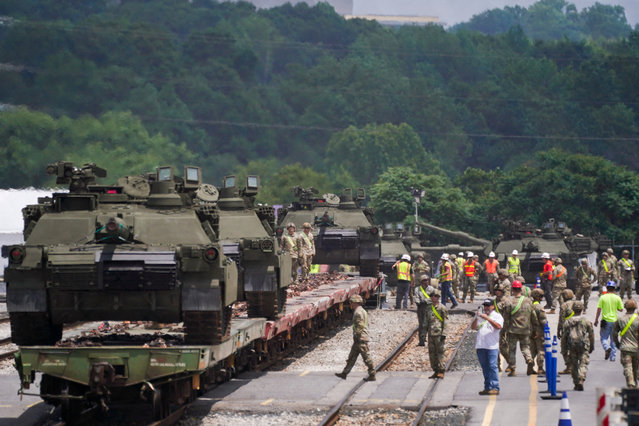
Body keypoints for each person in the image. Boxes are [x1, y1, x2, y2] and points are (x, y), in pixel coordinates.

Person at [335, 294, 376, 381]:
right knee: (352, 356)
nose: (350, 304)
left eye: (351, 302)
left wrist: (357, 335)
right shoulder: (363, 311)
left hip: (360, 338)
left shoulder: (358, 312)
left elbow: (360, 325)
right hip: (360, 338)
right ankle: (344, 373)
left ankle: (372, 374)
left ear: (355, 303)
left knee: (366, 357)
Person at [503, 280, 536, 376]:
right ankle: (529, 359)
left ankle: (513, 369)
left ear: (512, 289)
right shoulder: (528, 301)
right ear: (521, 289)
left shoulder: (509, 301)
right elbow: (533, 316)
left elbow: (506, 317)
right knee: (525, 347)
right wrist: (534, 328)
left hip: (512, 329)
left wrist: (504, 330)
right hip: (525, 329)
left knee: (512, 350)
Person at [472, 298, 504, 395]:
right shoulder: (481, 316)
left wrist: (487, 318)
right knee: (485, 367)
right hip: (481, 345)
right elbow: (473, 328)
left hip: (492, 346)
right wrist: (476, 317)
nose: (486, 308)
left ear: (493, 306)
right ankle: (487, 387)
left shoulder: (497, 316)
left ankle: (495, 387)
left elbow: (498, 327)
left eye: (488, 305)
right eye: (485, 306)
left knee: (492, 366)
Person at [561, 301, 594, 391]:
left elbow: (564, 336)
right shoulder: (586, 320)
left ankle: (576, 382)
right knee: (583, 363)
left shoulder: (568, 321)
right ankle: (581, 379)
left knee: (574, 364)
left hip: (572, 345)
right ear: (582, 309)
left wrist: (563, 349)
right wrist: (592, 346)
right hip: (583, 345)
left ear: (573, 310)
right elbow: (591, 335)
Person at [594, 281, 624, 362]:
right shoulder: (617, 298)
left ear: (607, 288)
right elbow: (621, 309)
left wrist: (596, 320)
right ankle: (613, 357)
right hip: (614, 321)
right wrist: (615, 307)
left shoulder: (603, 297)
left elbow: (599, 309)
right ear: (614, 289)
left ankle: (607, 348)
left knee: (604, 337)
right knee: (613, 339)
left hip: (605, 321)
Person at [613, 299, 639, 388]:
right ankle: (635, 383)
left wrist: (617, 344)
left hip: (625, 347)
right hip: (637, 348)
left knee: (628, 366)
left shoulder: (620, 319)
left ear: (625, 307)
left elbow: (614, 334)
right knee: (636, 367)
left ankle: (631, 383)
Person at [428, 290, 448, 379]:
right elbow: (426, 321)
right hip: (431, 333)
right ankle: (435, 370)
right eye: (432, 296)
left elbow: (445, 321)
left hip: (439, 333)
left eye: (435, 296)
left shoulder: (442, 308)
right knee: (432, 353)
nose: (433, 297)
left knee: (440, 352)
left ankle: (441, 370)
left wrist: (444, 333)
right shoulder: (428, 308)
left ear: (438, 297)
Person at [557, 289, 575, 375]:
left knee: (564, 348)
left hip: (567, 329)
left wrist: (558, 330)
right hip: (577, 328)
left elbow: (561, 319)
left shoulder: (564, 305)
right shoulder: (577, 303)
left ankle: (569, 367)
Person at [414, 275, 435, 346]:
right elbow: (416, 297)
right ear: (421, 281)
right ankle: (421, 341)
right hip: (421, 308)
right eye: (425, 280)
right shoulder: (417, 289)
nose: (426, 282)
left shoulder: (431, 289)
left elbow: (434, 298)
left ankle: (430, 341)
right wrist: (418, 302)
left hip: (429, 307)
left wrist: (426, 301)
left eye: (427, 280)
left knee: (430, 325)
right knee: (422, 325)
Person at [530, 288, 547, 374]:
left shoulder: (529, 305)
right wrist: (546, 331)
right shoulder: (539, 307)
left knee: (532, 350)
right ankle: (540, 368)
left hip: (529, 331)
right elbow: (543, 321)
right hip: (538, 331)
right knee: (540, 349)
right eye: (541, 296)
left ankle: (530, 367)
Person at [493, 284, 509, 372]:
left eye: (499, 290)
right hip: (495, 327)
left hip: (504, 327)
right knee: (495, 347)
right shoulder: (494, 301)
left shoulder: (506, 302)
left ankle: (510, 363)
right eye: (496, 290)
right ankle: (497, 366)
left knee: (503, 347)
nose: (497, 292)